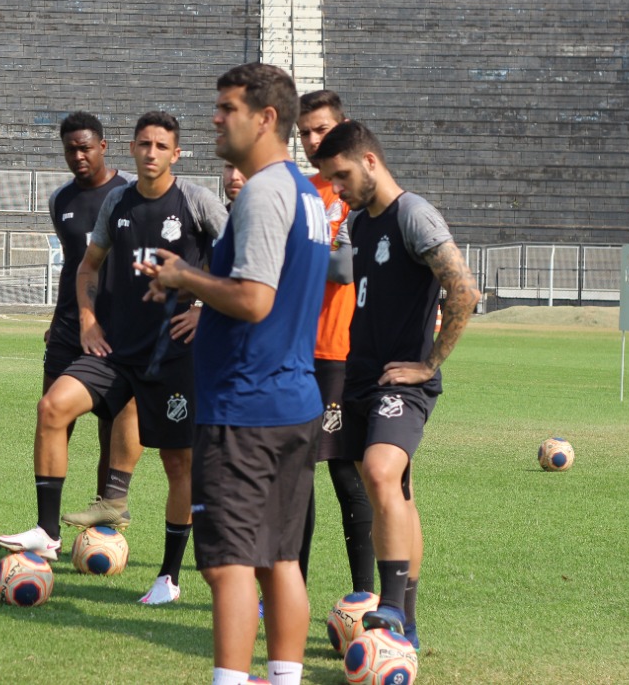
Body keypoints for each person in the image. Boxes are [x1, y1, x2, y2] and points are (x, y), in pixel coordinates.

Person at [139, 63, 331, 685]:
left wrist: (183, 279)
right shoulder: (306, 192)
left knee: (226, 566)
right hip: (291, 399)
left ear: (266, 117)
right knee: (280, 559)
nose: (216, 119)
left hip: (246, 406)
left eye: (227, 108)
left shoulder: (264, 193)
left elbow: (254, 299)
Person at [0, 111, 227, 606]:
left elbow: (239, 261)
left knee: (178, 463)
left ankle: (168, 577)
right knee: (53, 407)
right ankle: (48, 530)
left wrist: (206, 309)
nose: (150, 153)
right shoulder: (118, 201)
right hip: (115, 348)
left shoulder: (196, 201)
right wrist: (87, 319)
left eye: (161, 146)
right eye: (144, 144)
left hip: (172, 354)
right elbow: (88, 266)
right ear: (132, 148)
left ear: (175, 153)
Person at [310, 120, 480, 651]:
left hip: (398, 381)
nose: (337, 189)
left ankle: (386, 607)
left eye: (341, 177)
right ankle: (406, 621)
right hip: (358, 376)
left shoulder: (414, 214)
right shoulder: (360, 224)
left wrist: (428, 364)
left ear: (369, 162)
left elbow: (463, 290)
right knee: (396, 495)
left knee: (382, 475)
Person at [44, 112, 143, 531]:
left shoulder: (128, 194)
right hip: (68, 328)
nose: (78, 155)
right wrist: (56, 319)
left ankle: (105, 522)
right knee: (53, 418)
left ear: (103, 146)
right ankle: (46, 526)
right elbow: (74, 267)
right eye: (71, 149)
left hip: (116, 332)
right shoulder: (60, 201)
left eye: (86, 147)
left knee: (111, 429)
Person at [296, 89, 372, 593]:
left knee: (347, 476)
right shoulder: (298, 191)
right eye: (304, 132)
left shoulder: (356, 194)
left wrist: (291, 255)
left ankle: (365, 594)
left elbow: (344, 270)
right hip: (294, 353)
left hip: (340, 353)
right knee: (294, 481)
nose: (312, 140)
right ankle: (285, 595)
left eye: (321, 129)